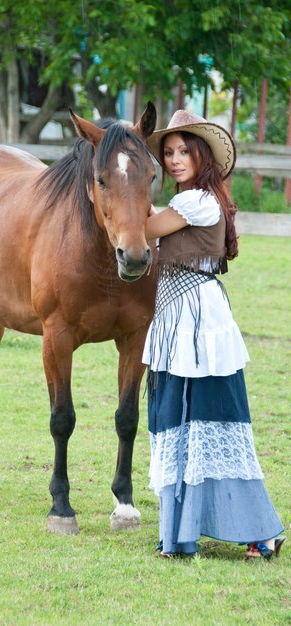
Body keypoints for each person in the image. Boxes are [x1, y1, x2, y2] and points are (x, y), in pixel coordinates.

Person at [143, 110, 285, 559]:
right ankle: (180, 534)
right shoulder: (188, 201)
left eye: (184, 151)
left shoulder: (198, 202)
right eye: (168, 153)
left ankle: (261, 530)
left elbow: (145, 229)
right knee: (178, 421)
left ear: (202, 155)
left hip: (197, 320)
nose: (175, 159)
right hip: (178, 316)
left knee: (212, 419)